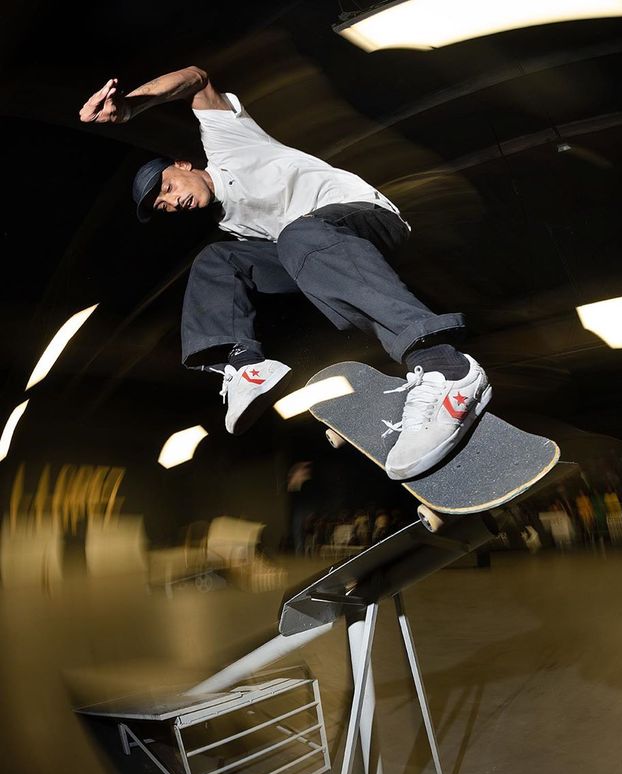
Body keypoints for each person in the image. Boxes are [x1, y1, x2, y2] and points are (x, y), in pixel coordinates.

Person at [79, 66, 491, 479]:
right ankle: (244, 366)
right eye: (162, 207)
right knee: (216, 261)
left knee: (298, 234)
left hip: (366, 219)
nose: (172, 202)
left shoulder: (229, 145)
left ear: (184, 165)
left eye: (168, 188)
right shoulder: (231, 225)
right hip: (314, 253)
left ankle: (446, 367)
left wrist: (131, 106)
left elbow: (197, 78)